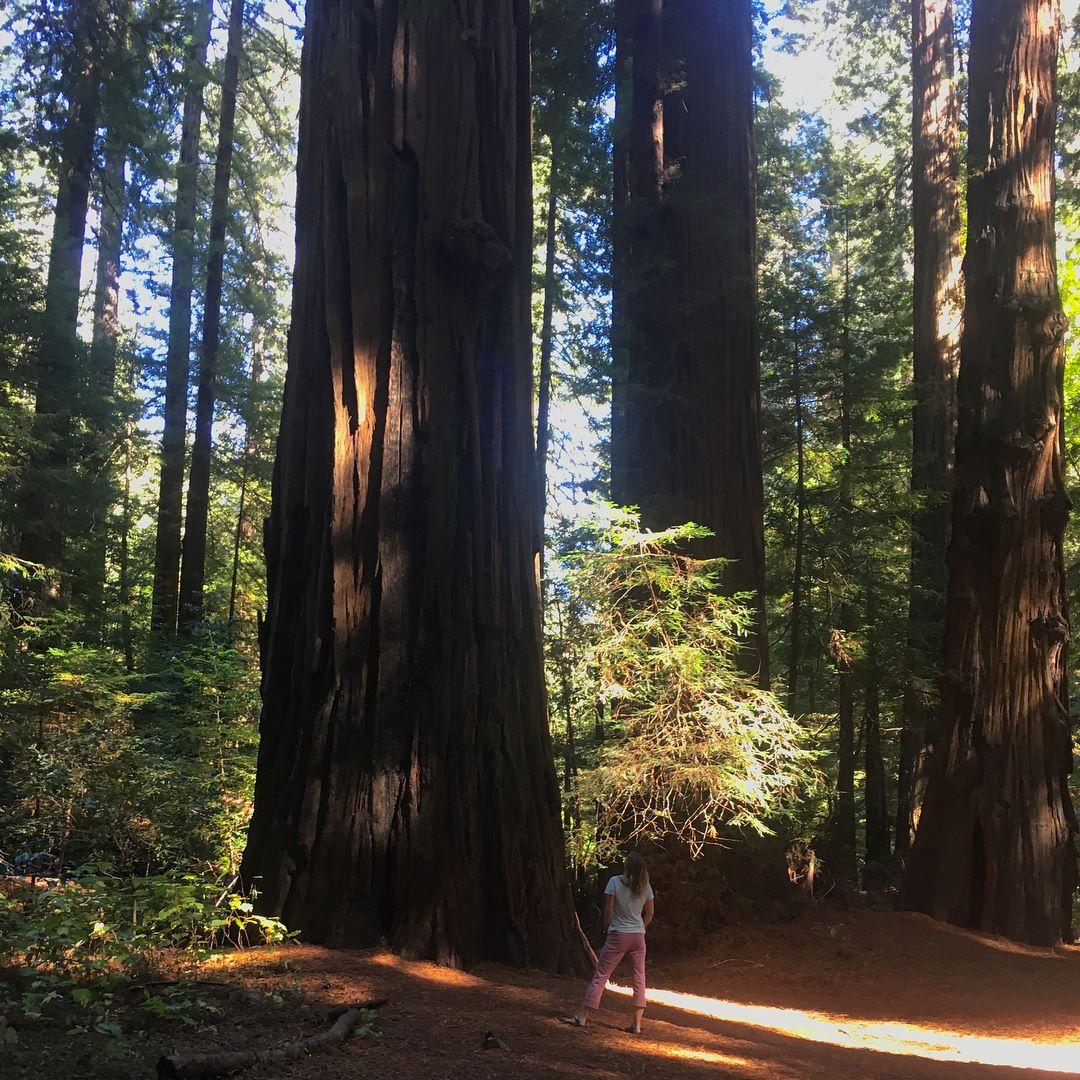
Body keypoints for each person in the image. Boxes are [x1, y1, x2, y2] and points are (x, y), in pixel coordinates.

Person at [562, 852, 654, 1034]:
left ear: (626, 866)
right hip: (638, 936)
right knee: (639, 977)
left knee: (601, 975)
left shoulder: (614, 882)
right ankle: (636, 1024)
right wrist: (640, 927)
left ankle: (581, 1017)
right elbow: (650, 913)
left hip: (618, 934)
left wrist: (607, 928)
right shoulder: (646, 886)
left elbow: (608, 909)